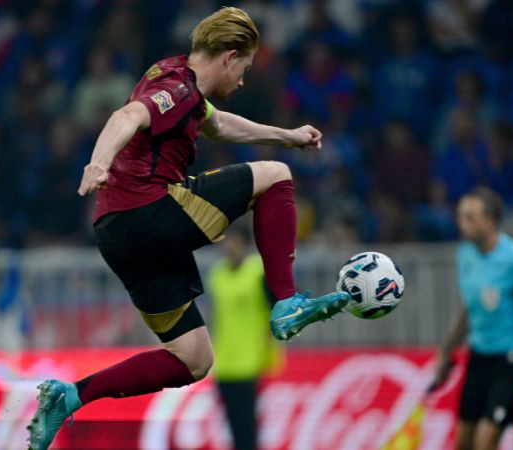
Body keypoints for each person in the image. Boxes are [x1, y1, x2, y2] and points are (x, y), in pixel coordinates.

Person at [26, 8, 350, 450]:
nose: (242, 81)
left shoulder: (172, 74)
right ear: (229, 57)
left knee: (193, 360)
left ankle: (72, 396)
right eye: (245, 69)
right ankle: (287, 301)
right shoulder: (179, 89)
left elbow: (216, 124)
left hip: (116, 232)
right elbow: (125, 118)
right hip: (149, 212)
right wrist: (98, 162)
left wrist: (288, 135)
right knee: (276, 177)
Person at [431, 188, 513, 450]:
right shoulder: (465, 255)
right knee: (463, 443)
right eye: (460, 216)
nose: (461, 224)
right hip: (479, 357)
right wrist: (446, 351)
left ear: (490, 221)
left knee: (485, 441)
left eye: (469, 217)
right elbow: (470, 307)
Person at [208, 225, 281, 450]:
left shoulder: (259, 272)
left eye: (233, 240)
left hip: (251, 361)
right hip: (224, 362)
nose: (228, 246)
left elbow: (278, 307)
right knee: (233, 426)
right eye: (225, 241)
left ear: (244, 243)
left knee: (248, 428)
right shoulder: (217, 274)